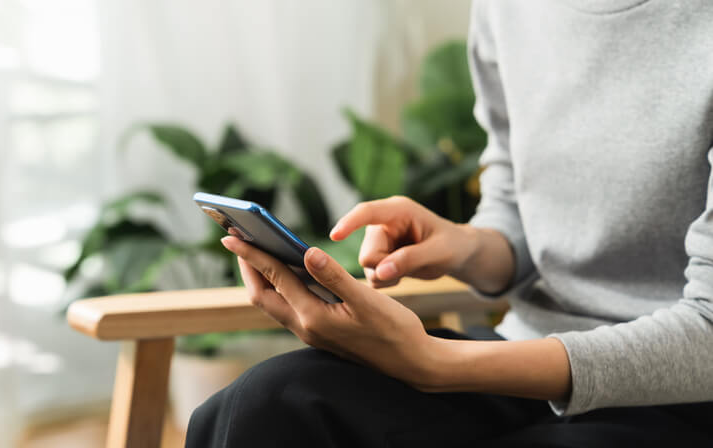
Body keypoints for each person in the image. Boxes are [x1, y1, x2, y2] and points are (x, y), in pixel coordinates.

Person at [185, 1, 713, 446]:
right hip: (522, 362)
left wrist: (435, 363)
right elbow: (515, 198)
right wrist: (463, 245)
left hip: (680, 395)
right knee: (262, 408)